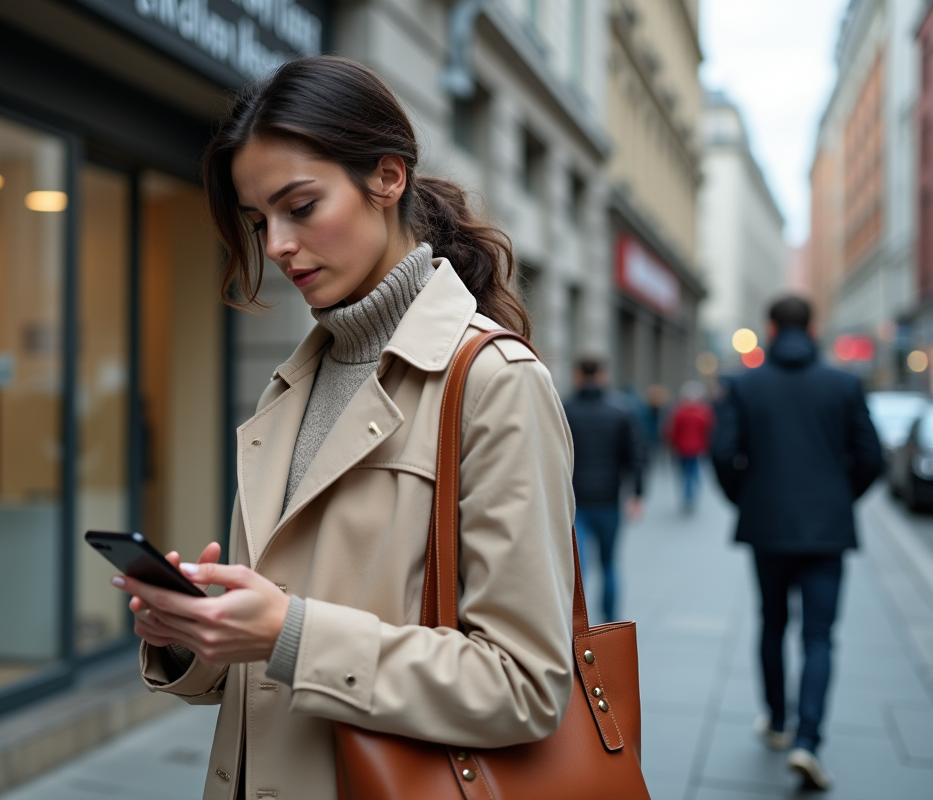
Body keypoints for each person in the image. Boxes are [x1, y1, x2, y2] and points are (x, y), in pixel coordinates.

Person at [110, 56, 576, 800]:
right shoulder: (290, 386)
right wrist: (197, 637)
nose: (276, 245)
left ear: (387, 178)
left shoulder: (495, 382)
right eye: (258, 221)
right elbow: (264, 674)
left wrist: (287, 633)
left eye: (300, 207)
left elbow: (524, 685)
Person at [712, 296, 882, 791]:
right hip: (828, 530)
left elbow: (722, 454)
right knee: (820, 636)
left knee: (772, 623)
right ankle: (808, 741)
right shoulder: (844, 384)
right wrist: (840, 498)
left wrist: (748, 499)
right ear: (812, 328)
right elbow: (870, 457)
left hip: (767, 527)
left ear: (770, 328)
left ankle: (777, 721)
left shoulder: (744, 384)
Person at [562, 357, 645, 623]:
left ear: (578, 375)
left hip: (574, 501)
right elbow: (636, 455)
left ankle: (576, 621)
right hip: (609, 499)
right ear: (602, 375)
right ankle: (610, 620)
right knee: (609, 562)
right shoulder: (620, 410)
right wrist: (637, 494)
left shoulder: (565, 409)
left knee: (577, 567)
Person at [667, 380, 714, 512]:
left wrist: (673, 445)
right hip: (698, 448)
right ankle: (692, 494)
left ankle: (688, 495)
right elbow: (709, 431)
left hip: (683, 448)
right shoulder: (704, 413)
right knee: (695, 472)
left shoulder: (679, 412)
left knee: (685, 472)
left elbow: (673, 431)